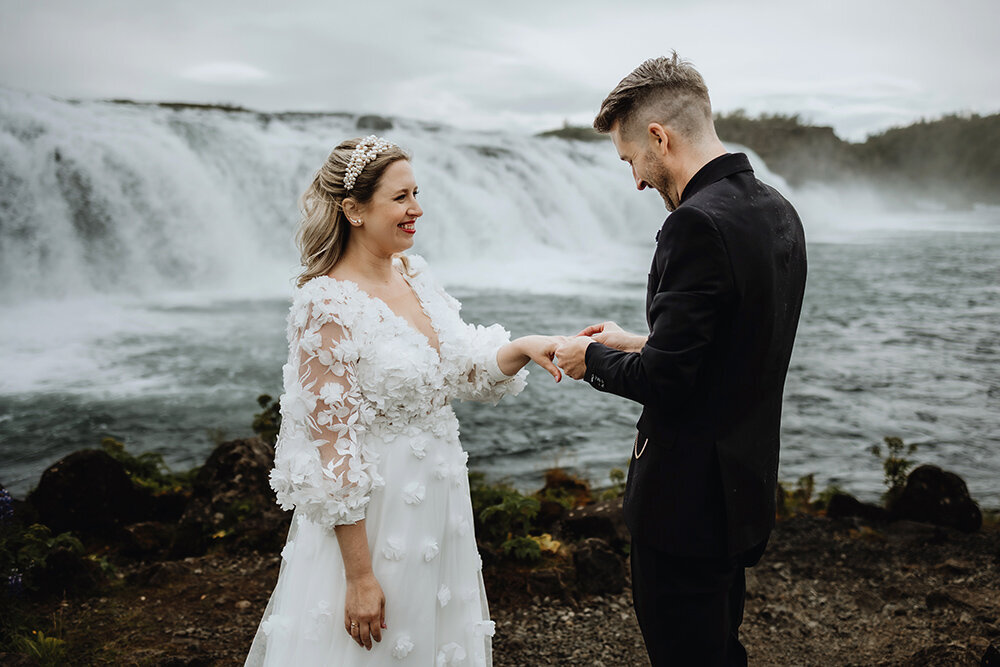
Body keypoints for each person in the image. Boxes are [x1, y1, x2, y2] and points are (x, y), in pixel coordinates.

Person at [246, 135, 564, 666]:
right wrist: (360, 576)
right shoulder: (325, 305)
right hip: (376, 522)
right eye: (400, 197)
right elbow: (332, 451)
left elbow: (463, 368)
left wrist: (523, 348)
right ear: (352, 209)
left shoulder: (414, 275)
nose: (417, 209)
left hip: (441, 506)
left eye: (416, 192)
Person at [554, 53, 807, 665]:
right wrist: (632, 340)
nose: (636, 181)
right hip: (740, 491)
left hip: (684, 506)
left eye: (631, 159)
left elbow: (668, 380)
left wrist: (588, 358)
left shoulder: (694, 224)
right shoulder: (775, 208)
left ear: (659, 137)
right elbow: (737, 342)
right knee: (719, 648)